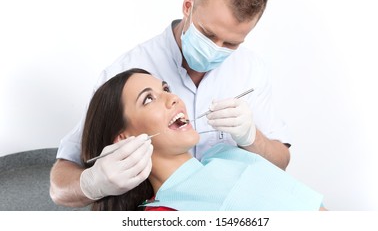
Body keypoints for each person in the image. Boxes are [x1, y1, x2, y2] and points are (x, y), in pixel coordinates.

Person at [50, 0, 292, 207]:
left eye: (230, 43)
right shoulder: (124, 73)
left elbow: (281, 161)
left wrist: (251, 137)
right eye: (208, 34)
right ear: (188, 5)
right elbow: (60, 185)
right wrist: (94, 182)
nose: (215, 49)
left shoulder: (250, 70)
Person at [82, 68, 324, 211]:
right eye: (148, 99)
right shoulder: (163, 213)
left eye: (166, 88)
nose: (173, 98)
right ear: (124, 139)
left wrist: (252, 137)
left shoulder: (228, 154)